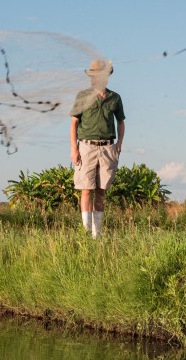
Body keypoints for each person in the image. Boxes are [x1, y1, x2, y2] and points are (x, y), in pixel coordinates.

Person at [69, 58, 126, 238]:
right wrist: (74, 149)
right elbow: (74, 123)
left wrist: (119, 144)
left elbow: (121, 122)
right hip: (86, 146)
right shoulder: (83, 96)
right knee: (86, 189)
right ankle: (85, 232)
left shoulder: (114, 98)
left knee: (101, 190)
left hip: (108, 147)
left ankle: (97, 234)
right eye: (93, 76)